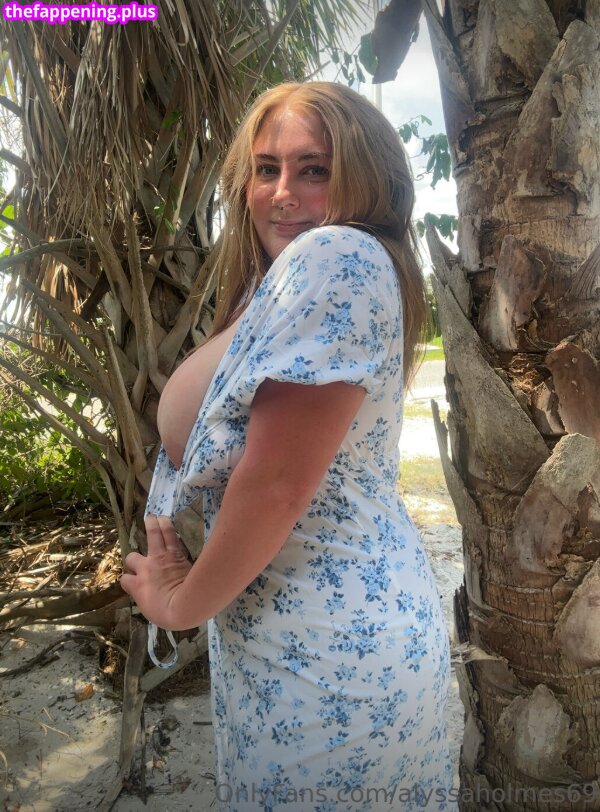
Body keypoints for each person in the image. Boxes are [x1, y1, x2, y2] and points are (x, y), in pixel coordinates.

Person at [120, 81, 455, 811]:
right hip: (305, 641)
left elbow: (276, 484)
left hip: (330, 659)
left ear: (366, 179)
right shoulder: (284, 281)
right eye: (266, 169)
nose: (281, 193)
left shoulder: (336, 256)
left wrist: (179, 605)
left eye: (314, 170)